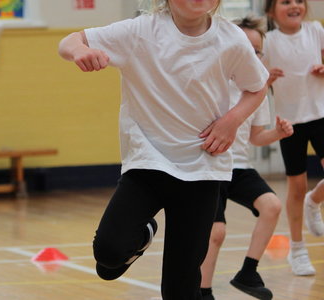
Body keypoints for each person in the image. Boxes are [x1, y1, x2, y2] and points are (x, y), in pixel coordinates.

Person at [58, 0, 268, 298]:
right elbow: (70, 41)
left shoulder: (230, 38)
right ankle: (144, 234)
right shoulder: (140, 31)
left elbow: (257, 86)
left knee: (180, 285)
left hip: (203, 170)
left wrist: (231, 121)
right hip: (148, 164)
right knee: (108, 253)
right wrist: (80, 50)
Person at [199, 15, 293, 300]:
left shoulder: (257, 90)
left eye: (257, 52)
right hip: (209, 168)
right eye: (244, 48)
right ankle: (203, 291)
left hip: (239, 168)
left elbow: (255, 137)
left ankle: (248, 273)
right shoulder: (211, 82)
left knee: (272, 206)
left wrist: (277, 133)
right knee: (216, 234)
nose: (250, 56)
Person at [263, 0, 324, 276]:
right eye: (285, 2)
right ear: (271, 11)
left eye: (299, 0)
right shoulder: (268, 41)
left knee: (307, 193)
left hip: (320, 114)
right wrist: (267, 78)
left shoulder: (315, 30)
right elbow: (255, 79)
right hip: (289, 122)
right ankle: (297, 250)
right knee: (296, 187)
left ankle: (315, 201)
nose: (294, 6)